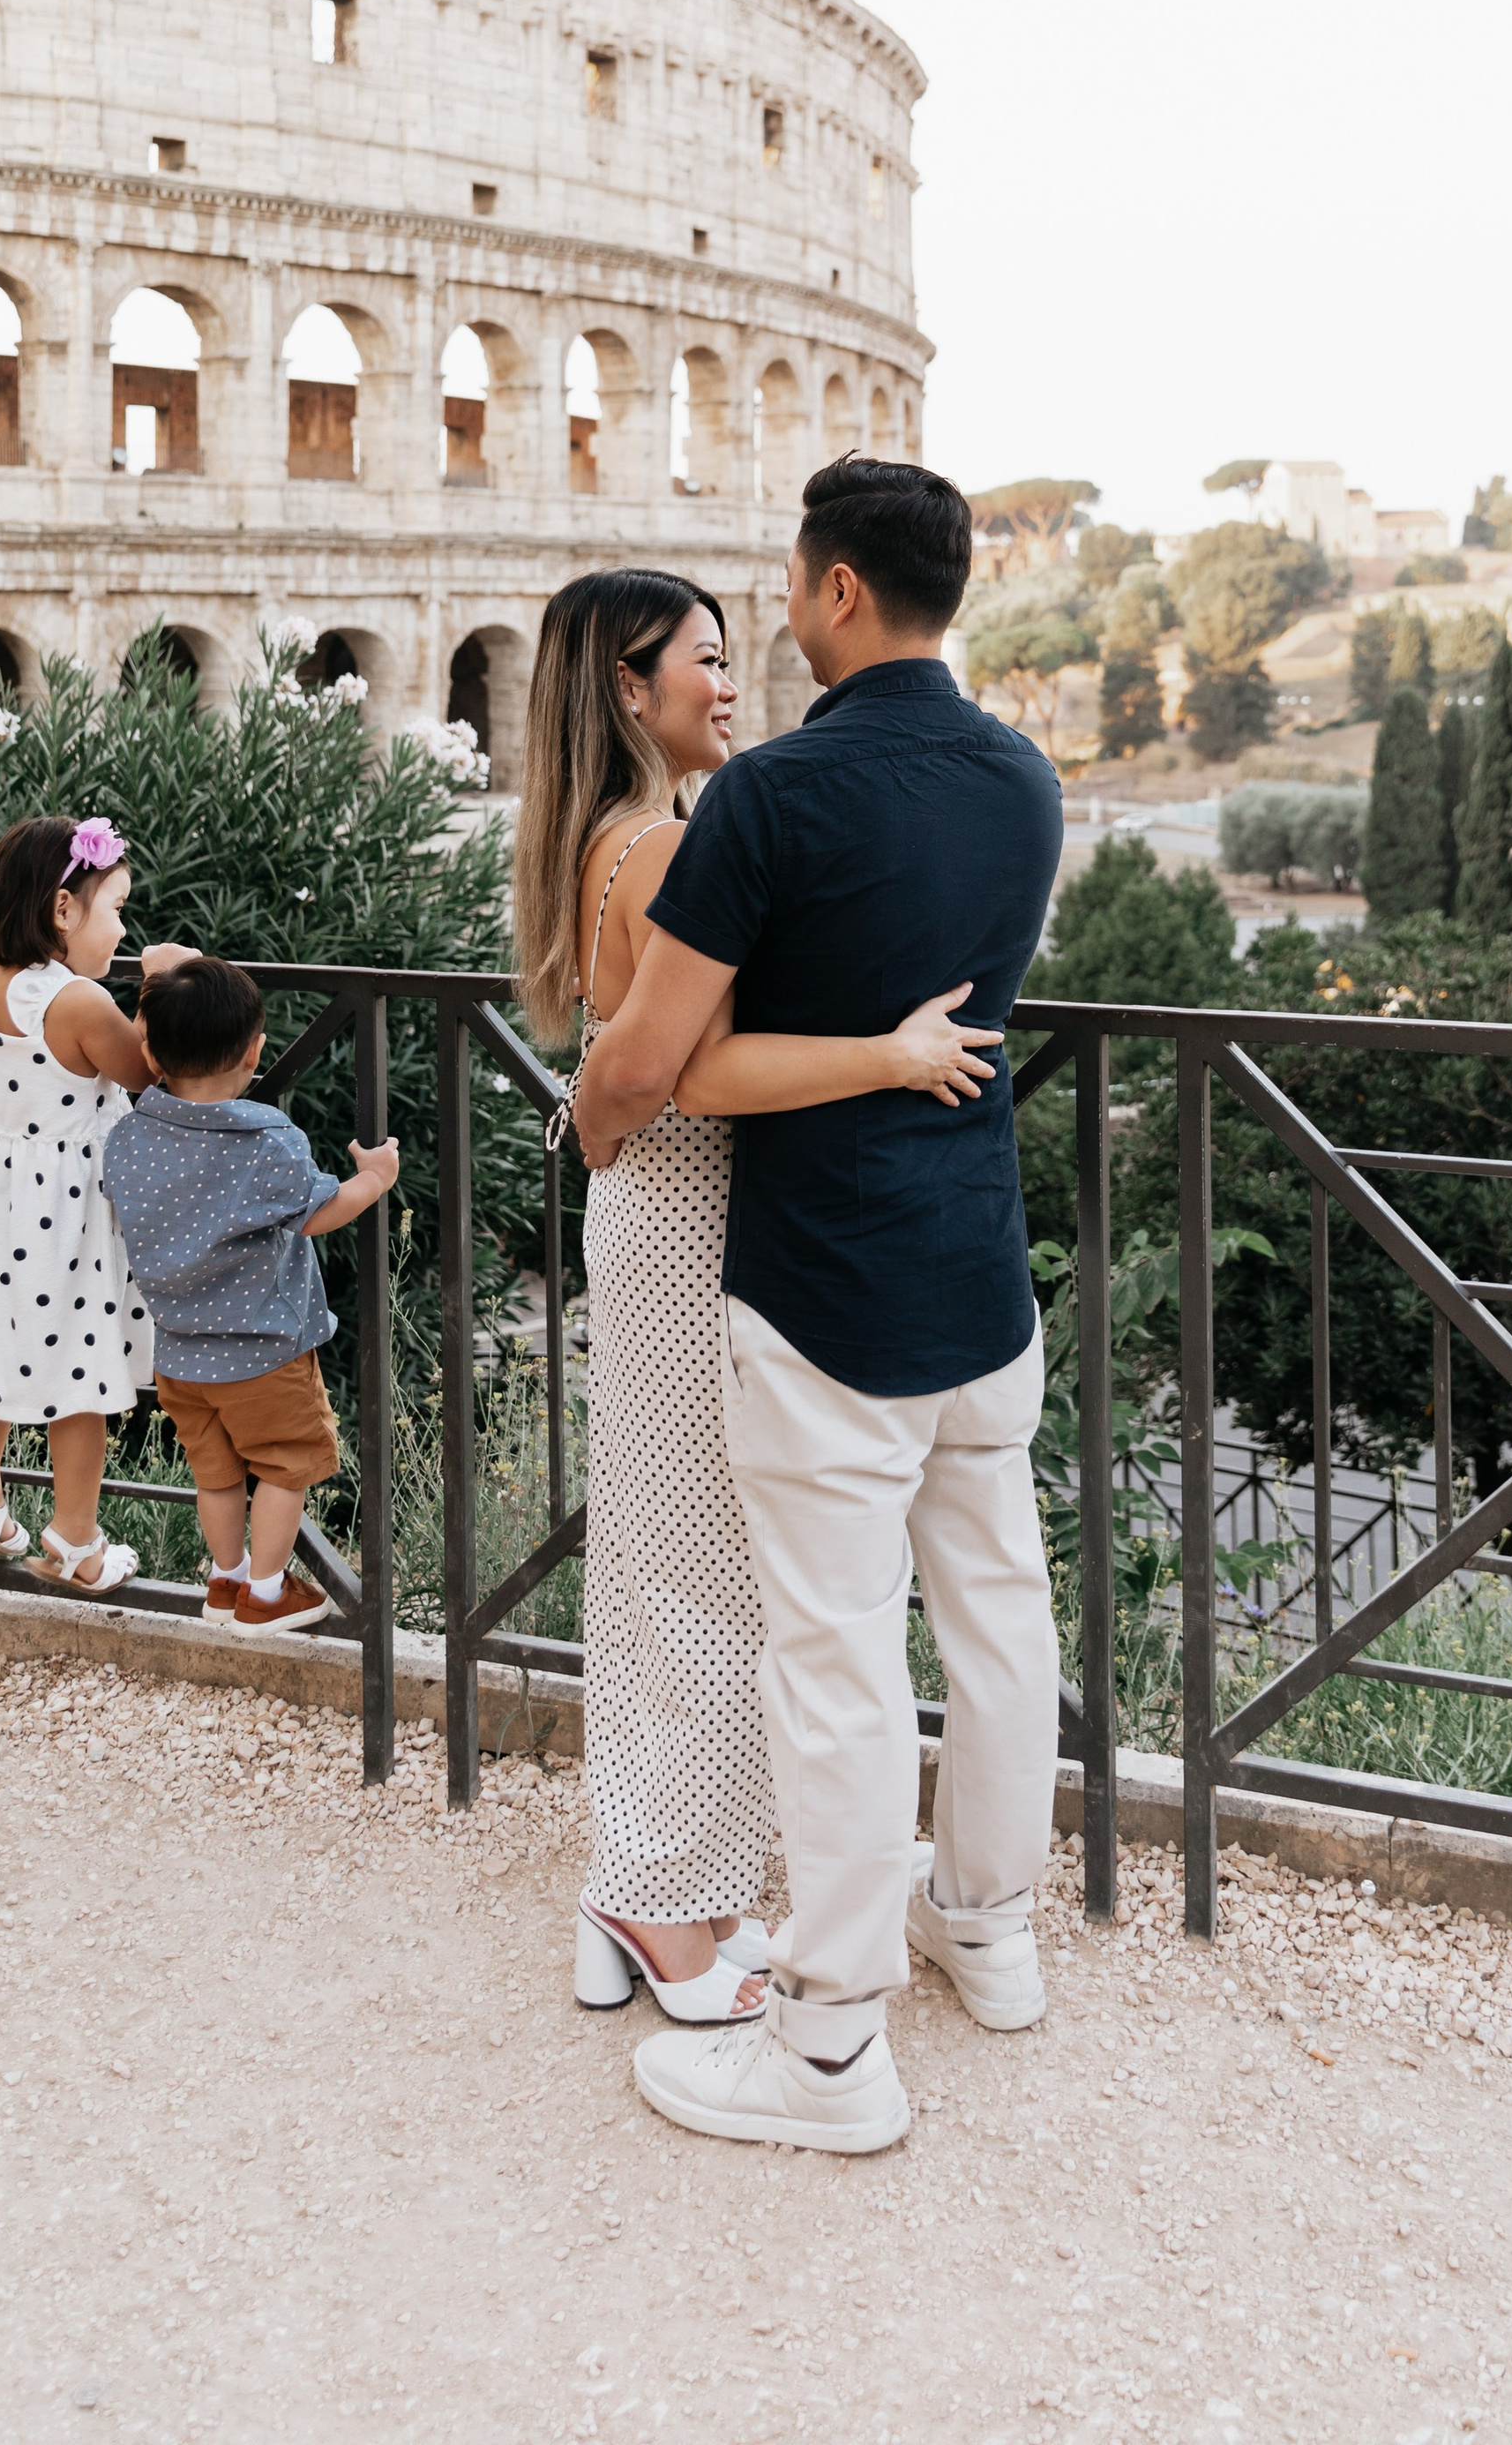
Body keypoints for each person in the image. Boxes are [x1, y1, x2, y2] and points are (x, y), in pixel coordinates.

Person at [573, 459, 1063, 2153]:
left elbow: (647, 1066)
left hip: (827, 1285)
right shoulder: (1027, 780)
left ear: (838, 589)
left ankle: (833, 2047)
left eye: (791, 572)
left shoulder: (776, 796)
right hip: (984, 1274)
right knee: (1000, 1616)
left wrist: (601, 1117)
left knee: (839, 1658)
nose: (779, 601)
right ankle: (990, 1932)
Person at [514, 569, 1006, 2028]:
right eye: (702, 665)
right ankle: (671, 1909)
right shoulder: (665, 846)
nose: (729, 685)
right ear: (628, 688)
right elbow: (682, 1072)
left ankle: (653, 1887)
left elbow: (622, 1071)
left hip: (655, 1208)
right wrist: (895, 1055)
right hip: (685, 1216)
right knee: (714, 1583)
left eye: (733, 660)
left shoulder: (610, 838)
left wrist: (602, 1111)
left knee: (669, 1568)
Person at [0, 813, 161, 1594]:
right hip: (68, 1209)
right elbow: (143, 1069)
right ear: (62, 911)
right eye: (115, 909)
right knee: (79, 1365)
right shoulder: (76, 1002)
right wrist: (162, 980)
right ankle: (77, 1541)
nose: (122, 928)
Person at [102, 953, 398, 1638]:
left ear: (148, 1051)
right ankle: (266, 1593)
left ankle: (224, 1578)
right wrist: (376, 1178)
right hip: (265, 1355)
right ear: (257, 1050)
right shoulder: (267, 1140)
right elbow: (318, 1211)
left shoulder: (131, 1135)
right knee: (285, 1469)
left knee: (216, 1476)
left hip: (177, 1354)